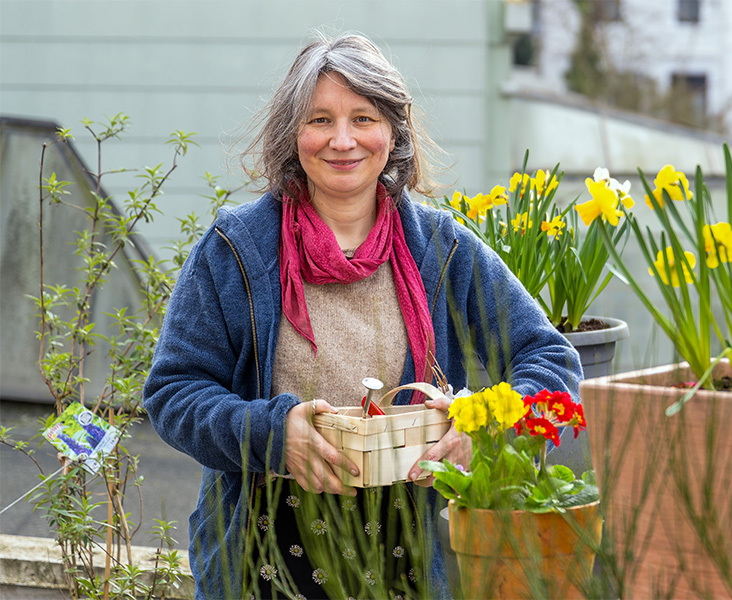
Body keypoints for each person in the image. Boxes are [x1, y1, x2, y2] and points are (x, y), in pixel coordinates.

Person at [143, 31, 582, 600]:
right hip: (264, 557)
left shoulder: (442, 248)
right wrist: (273, 435)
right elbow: (174, 392)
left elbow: (549, 357)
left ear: (393, 132)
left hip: (412, 555)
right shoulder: (238, 249)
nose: (343, 140)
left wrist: (485, 427)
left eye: (364, 118)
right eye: (320, 119)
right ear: (292, 135)